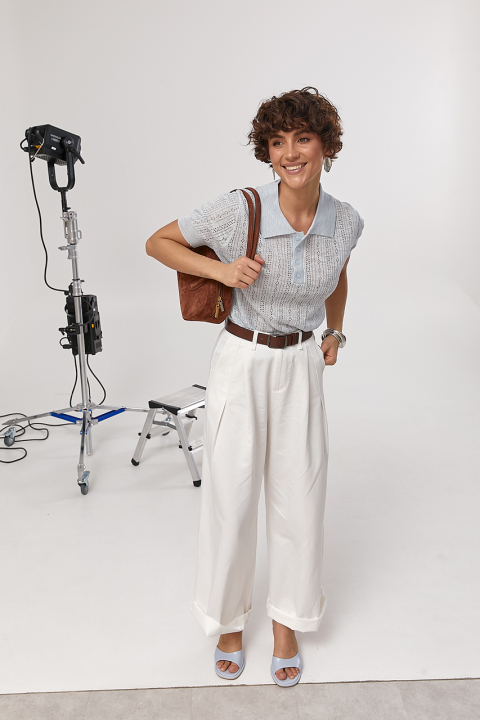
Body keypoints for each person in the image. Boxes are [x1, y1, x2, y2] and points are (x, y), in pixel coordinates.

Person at [146, 87, 364, 687]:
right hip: (241, 359)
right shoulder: (240, 210)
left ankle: (288, 621)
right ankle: (228, 622)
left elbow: (339, 276)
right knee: (232, 496)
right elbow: (158, 242)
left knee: (300, 497)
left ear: (325, 145)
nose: (290, 153)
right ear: (265, 152)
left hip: (302, 365)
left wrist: (335, 331)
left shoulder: (347, 220)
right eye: (277, 142)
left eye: (303, 138)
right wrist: (219, 268)